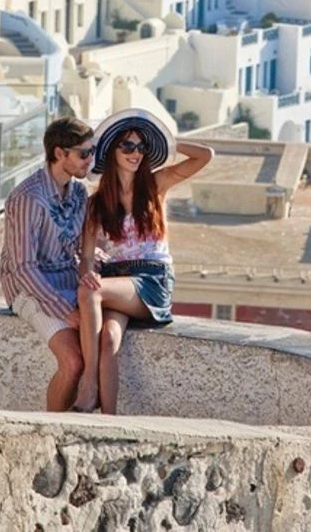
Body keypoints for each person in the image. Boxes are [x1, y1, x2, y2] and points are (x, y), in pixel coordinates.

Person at [73, 109, 213, 414]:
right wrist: (87, 274)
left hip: (151, 279)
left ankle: (88, 383)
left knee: (90, 293)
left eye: (140, 146)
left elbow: (205, 156)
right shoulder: (96, 204)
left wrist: (167, 141)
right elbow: (86, 256)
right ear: (112, 152)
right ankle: (106, 421)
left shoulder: (155, 184)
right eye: (127, 146)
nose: (135, 153)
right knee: (108, 338)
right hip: (116, 282)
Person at [0, 115, 95, 412]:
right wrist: (65, 310)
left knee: (102, 348)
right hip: (30, 289)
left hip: (67, 282)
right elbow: (23, 267)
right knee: (74, 361)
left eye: (92, 152)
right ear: (59, 154)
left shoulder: (79, 192)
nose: (89, 161)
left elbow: (80, 248)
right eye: (83, 153)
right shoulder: (27, 198)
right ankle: (53, 431)